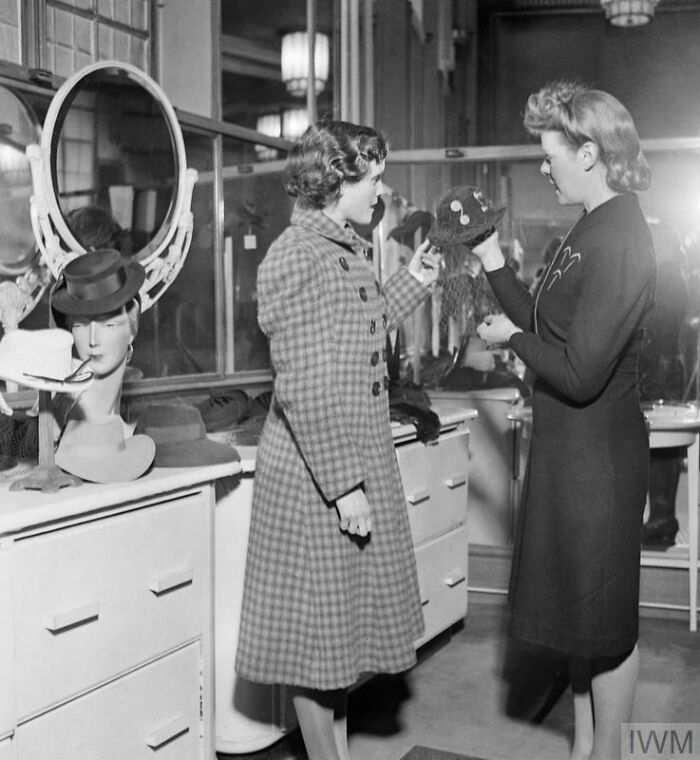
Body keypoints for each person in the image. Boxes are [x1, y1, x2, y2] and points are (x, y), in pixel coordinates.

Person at [235, 118, 441, 760]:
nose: (381, 194)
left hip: (348, 459)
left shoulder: (339, 247)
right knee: (318, 645)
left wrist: (416, 280)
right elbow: (304, 383)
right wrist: (345, 485)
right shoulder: (296, 256)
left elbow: (362, 324)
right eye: (373, 180)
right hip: (317, 474)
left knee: (341, 640)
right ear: (336, 180)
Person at [472, 81, 656, 760]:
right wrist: (493, 262)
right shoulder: (590, 227)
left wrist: (508, 343)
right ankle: (584, 750)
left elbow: (577, 372)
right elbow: (549, 325)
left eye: (549, 155)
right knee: (583, 622)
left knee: (606, 626)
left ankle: (606, 753)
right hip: (568, 455)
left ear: (587, 152)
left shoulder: (621, 239)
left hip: (598, 464)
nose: (543, 168)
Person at [50, 248, 145, 427]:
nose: (93, 340)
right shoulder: (68, 416)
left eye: (109, 324)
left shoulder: (117, 423)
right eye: (80, 325)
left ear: (132, 330)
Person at [639, 220, 689, 547]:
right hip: (669, 367)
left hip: (660, 370)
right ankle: (662, 516)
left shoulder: (665, 280)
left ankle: (661, 518)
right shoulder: (675, 279)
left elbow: (655, 326)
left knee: (660, 445)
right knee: (665, 447)